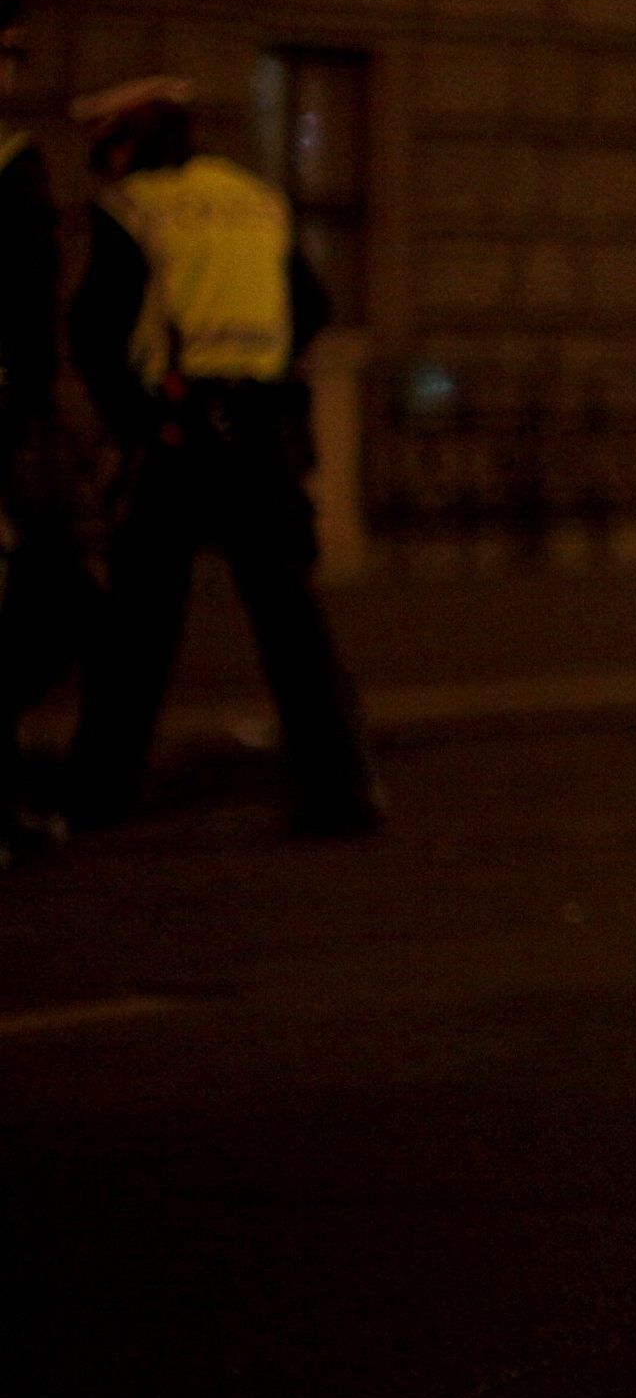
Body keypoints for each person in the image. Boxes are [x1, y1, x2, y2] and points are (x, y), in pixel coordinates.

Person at [65, 77, 380, 838]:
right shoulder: (257, 199)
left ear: (128, 143)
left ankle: (98, 795)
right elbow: (311, 305)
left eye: (106, 147)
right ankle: (340, 793)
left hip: (179, 435)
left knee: (139, 627)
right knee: (290, 623)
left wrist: (134, 423)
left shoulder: (135, 208)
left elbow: (94, 334)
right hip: (261, 435)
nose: (102, 165)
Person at [0, 0, 80, 862]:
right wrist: (34, 420)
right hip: (4, 418)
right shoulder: (12, 164)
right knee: (41, 601)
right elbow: (31, 310)